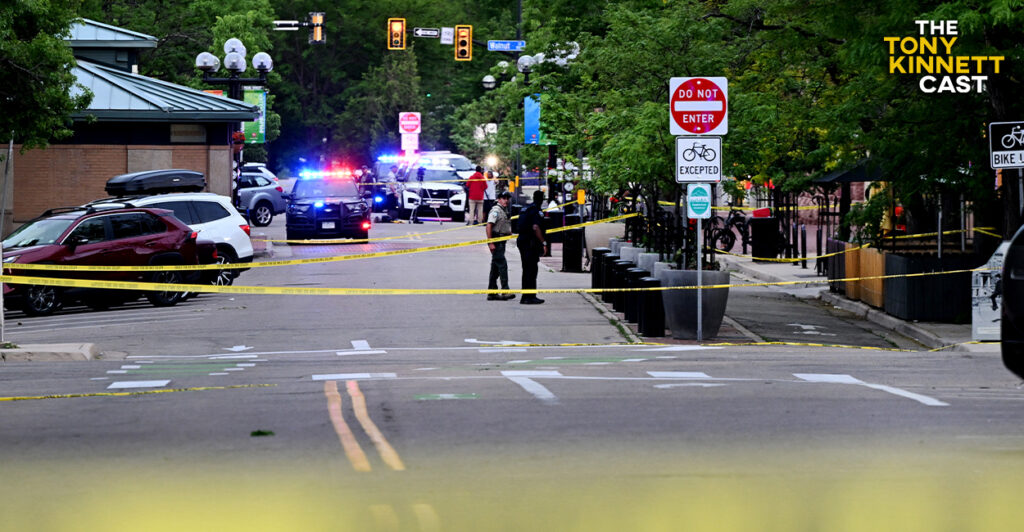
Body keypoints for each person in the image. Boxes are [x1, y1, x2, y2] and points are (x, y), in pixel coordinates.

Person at [517, 189, 548, 305]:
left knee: (526, 269)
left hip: (522, 241)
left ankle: (526, 296)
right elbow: (536, 227)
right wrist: (543, 242)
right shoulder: (536, 211)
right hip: (530, 242)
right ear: (541, 199)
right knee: (531, 269)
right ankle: (530, 296)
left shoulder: (526, 209)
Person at [485, 191, 516, 301]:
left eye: (507, 198)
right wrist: (490, 242)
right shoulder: (496, 210)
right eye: (503, 198)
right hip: (496, 240)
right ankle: (505, 290)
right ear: (499, 199)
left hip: (502, 241)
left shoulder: (504, 210)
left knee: (495, 268)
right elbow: (489, 226)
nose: (506, 200)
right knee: (502, 265)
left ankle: (492, 292)